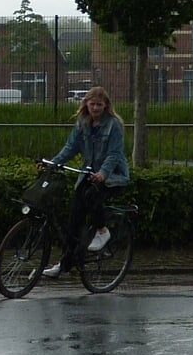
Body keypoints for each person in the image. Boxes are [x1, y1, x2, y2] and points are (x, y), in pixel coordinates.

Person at [42, 86, 130, 278]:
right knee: (74, 219)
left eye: (99, 105)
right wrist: (53, 163)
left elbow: (114, 154)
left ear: (106, 106)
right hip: (88, 174)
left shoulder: (113, 125)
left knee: (92, 195)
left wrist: (103, 173)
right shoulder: (83, 122)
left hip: (112, 175)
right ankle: (65, 265)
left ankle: (102, 230)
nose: (96, 108)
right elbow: (70, 147)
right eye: (92, 104)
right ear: (86, 105)